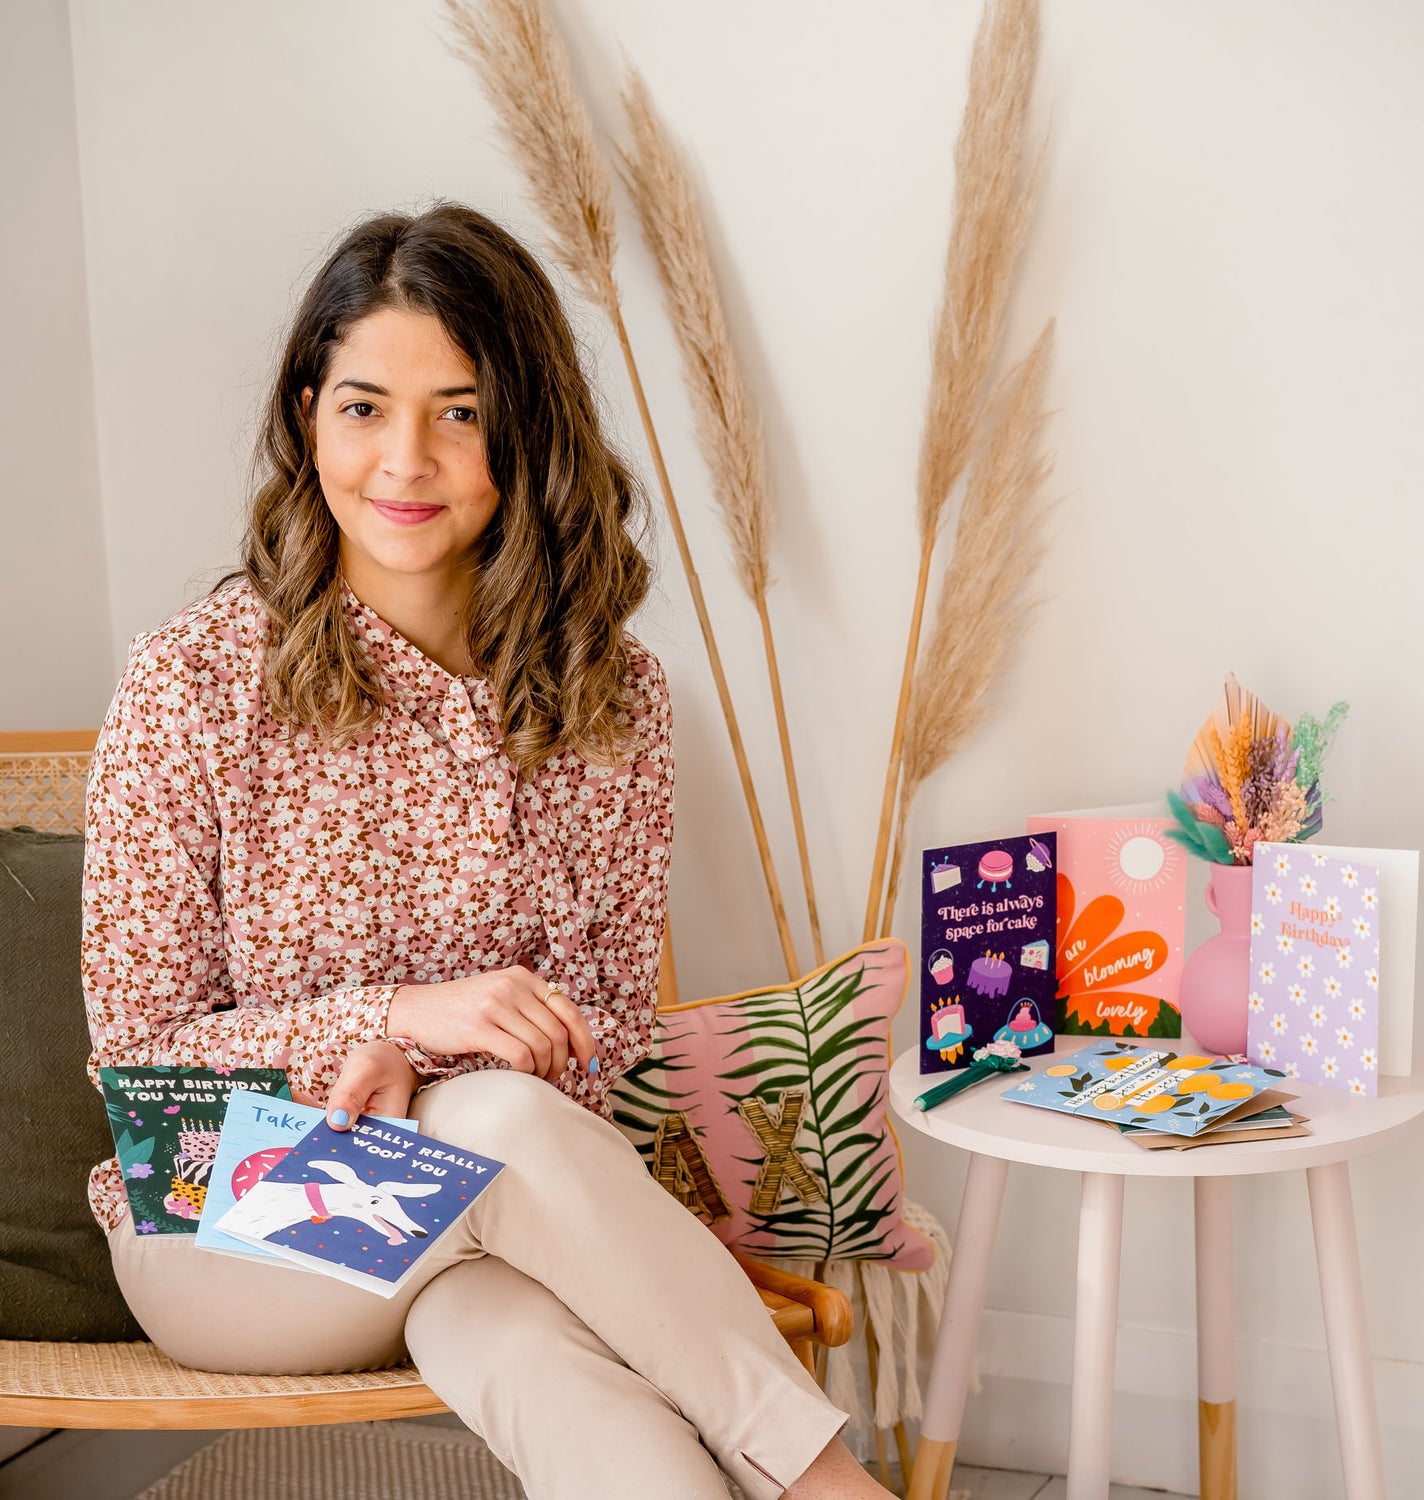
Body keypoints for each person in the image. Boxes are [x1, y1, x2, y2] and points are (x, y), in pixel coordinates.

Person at [81, 203, 887, 1499]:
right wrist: (388, 1021)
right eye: (363, 407)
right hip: (219, 1216)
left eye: (458, 411)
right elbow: (138, 1053)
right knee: (501, 1119)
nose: (406, 458)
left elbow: (608, 1033)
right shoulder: (194, 682)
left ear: (522, 430)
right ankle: (832, 1482)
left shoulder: (614, 698)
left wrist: (425, 1074)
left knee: (573, 1388)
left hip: (472, 1214)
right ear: (307, 417)